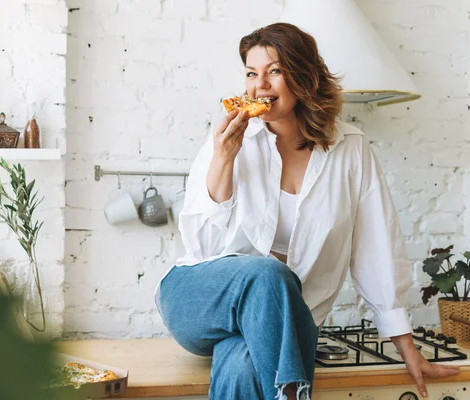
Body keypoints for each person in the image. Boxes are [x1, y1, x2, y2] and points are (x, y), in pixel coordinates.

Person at [154, 23, 460, 400]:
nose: (259, 86)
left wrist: (408, 350)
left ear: (304, 76)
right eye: (251, 74)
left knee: (243, 363)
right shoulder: (229, 142)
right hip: (199, 298)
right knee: (269, 273)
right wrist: (224, 160)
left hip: (283, 325)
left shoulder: (350, 149)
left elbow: (376, 249)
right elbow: (203, 249)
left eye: (275, 71)